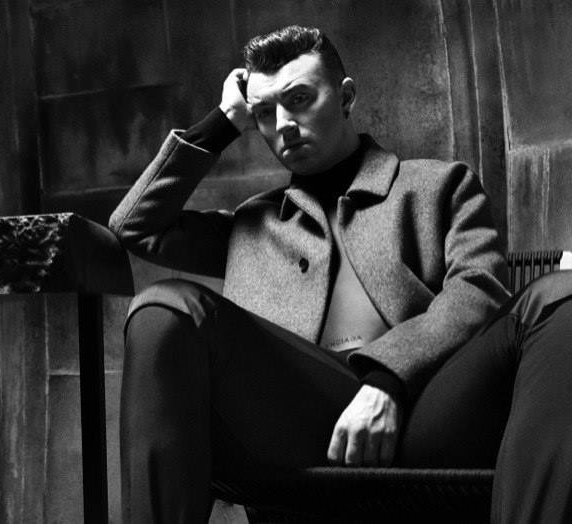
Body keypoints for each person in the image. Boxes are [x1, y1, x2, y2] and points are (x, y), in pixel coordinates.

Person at [108, 25, 572, 522]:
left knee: (561, 296)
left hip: (427, 411)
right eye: (264, 113)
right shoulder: (250, 224)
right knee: (163, 307)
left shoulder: (440, 185)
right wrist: (223, 121)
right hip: (297, 426)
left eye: (299, 99)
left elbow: (477, 291)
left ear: (346, 97)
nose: (283, 124)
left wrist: (388, 381)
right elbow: (135, 225)